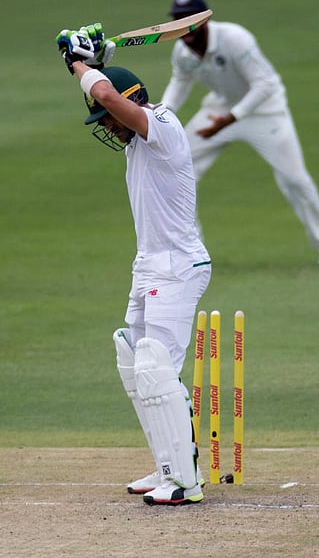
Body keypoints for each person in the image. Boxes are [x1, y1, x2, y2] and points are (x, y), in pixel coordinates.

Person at [57, 27, 211, 505]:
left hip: (178, 265)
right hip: (149, 265)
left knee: (157, 367)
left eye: (109, 118)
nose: (108, 126)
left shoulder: (162, 123)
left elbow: (103, 91)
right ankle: (167, 464)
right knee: (134, 361)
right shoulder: (136, 139)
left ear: (132, 99)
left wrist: (80, 66)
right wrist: (94, 64)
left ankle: (186, 483)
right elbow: (104, 91)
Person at [161, 0, 319, 267]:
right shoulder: (181, 51)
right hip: (219, 109)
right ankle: (192, 254)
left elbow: (265, 84)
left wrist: (231, 119)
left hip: (265, 111)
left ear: (204, 20)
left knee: (295, 179)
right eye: (177, 20)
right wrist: (161, 116)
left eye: (188, 20)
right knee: (178, 170)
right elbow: (180, 83)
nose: (182, 27)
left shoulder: (235, 38)